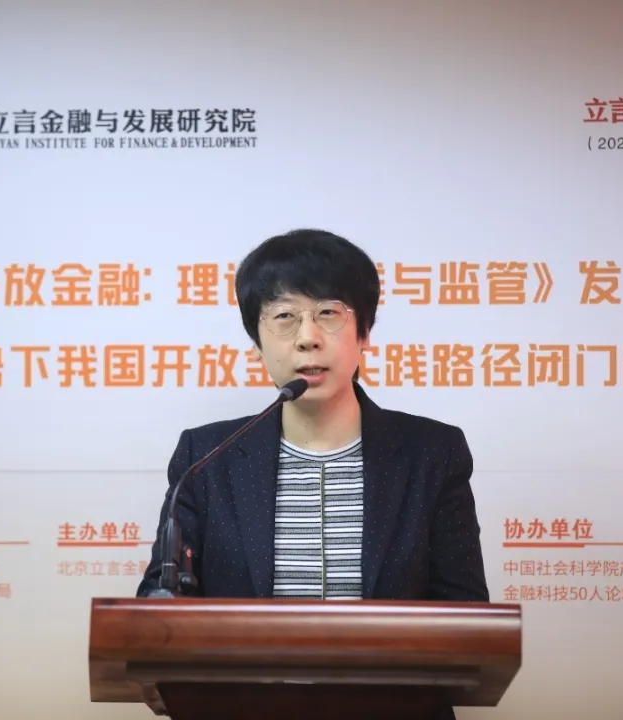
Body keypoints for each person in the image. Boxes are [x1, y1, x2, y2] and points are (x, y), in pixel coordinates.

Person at [137, 229, 489, 717]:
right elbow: (161, 605)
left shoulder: (430, 453)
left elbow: (466, 616)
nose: (308, 337)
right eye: (284, 316)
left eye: (328, 313)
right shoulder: (209, 456)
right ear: (257, 341)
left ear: (364, 333)